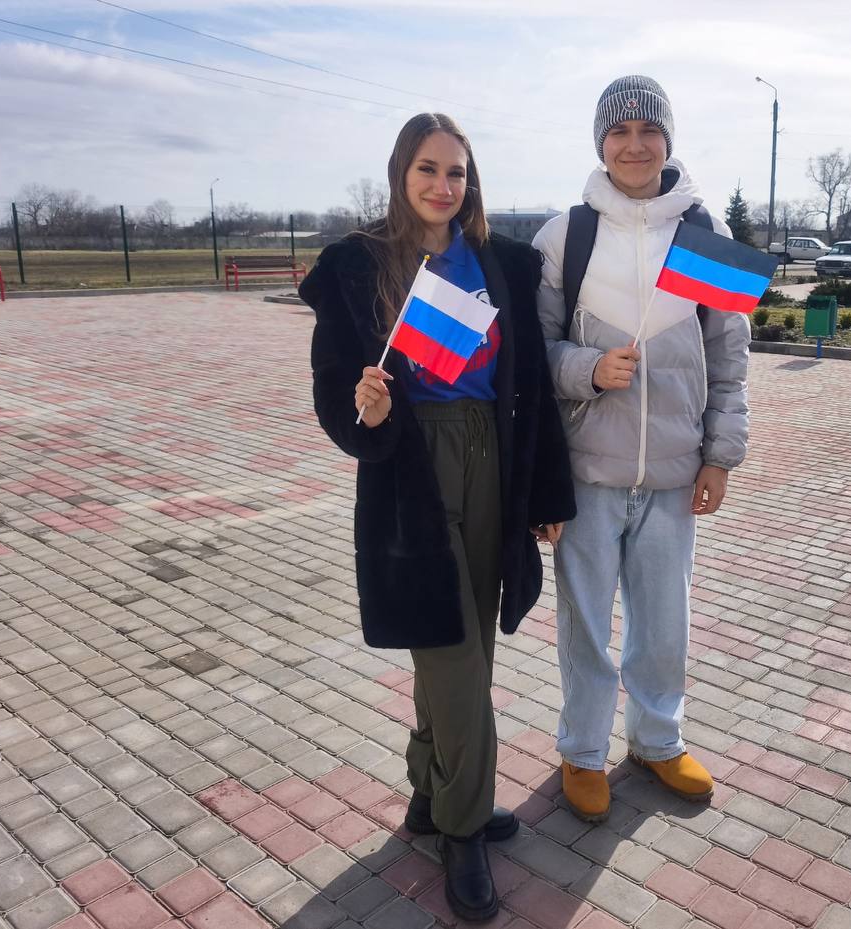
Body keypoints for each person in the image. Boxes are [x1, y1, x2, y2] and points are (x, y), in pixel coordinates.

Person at [301, 113, 575, 922]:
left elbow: (531, 389)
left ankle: (431, 789)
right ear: (401, 173)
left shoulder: (501, 263)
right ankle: (463, 826)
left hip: (492, 457)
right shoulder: (356, 266)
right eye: (428, 168)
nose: (443, 185)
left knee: (471, 640)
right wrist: (366, 410)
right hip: (410, 472)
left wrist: (546, 495)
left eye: (457, 172)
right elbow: (333, 392)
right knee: (451, 651)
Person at [532, 76, 751, 823]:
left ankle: (658, 740)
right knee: (585, 627)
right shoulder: (564, 237)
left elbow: (730, 358)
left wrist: (719, 454)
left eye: (648, 130)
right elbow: (533, 355)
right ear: (600, 143)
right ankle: (583, 749)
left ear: (668, 140)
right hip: (586, 473)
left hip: (673, 472)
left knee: (663, 624)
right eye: (619, 131)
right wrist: (588, 370)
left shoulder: (705, 236)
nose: (634, 145)